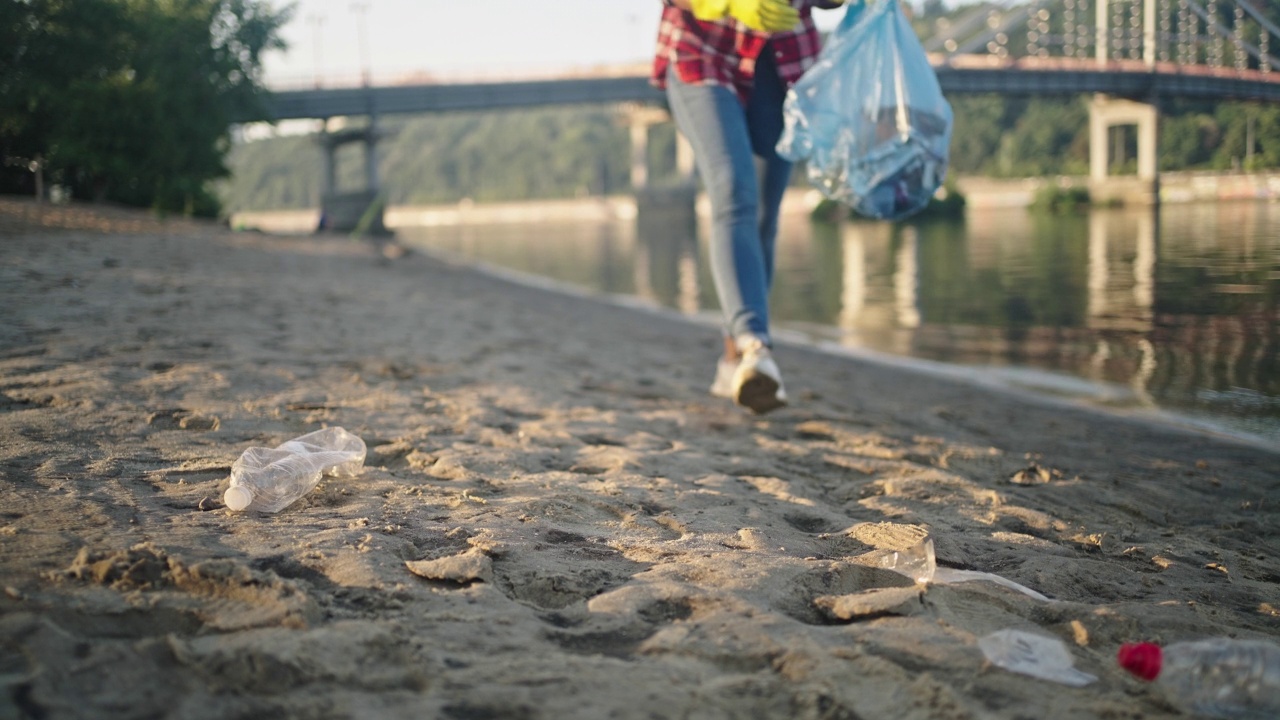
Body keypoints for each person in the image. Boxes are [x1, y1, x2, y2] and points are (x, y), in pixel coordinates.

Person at [652, 0, 846, 414]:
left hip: (783, 62)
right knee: (733, 191)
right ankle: (755, 345)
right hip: (703, 53)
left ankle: (733, 363)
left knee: (762, 217)